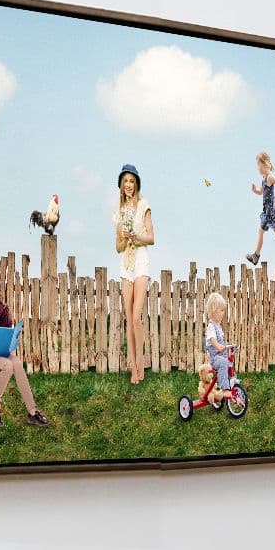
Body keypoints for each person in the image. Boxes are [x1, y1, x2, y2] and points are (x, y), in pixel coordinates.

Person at [0, 263, 50, 428]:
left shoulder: (2, 307)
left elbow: (5, 333)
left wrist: (11, 335)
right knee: (7, 365)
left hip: (0, 353)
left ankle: (32, 411)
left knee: (17, 363)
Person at [115, 164, 155, 385]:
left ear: (136, 183)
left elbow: (151, 238)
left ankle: (140, 361)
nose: (128, 185)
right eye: (125, 182)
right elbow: (118, 247)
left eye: (132, 181)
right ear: (121, 185)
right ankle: (133, 367)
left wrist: (135, 235)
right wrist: (124, 236)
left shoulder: (144, 206)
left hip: (140, 261)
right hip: (126, 264)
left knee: (137, 317)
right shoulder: (120, 212)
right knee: (129, 319)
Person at [203, 291, 233, 393]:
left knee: (229, 364)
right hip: (215, 359)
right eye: (221, 310)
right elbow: (212, 339)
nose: (223, 313)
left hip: (222, 357)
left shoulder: (219, 327)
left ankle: (231, 385)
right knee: (224, 363)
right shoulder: (211, 326)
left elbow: (222, 342)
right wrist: (218, 347)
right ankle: (224, 389)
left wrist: (230, 346)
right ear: (214, 310)